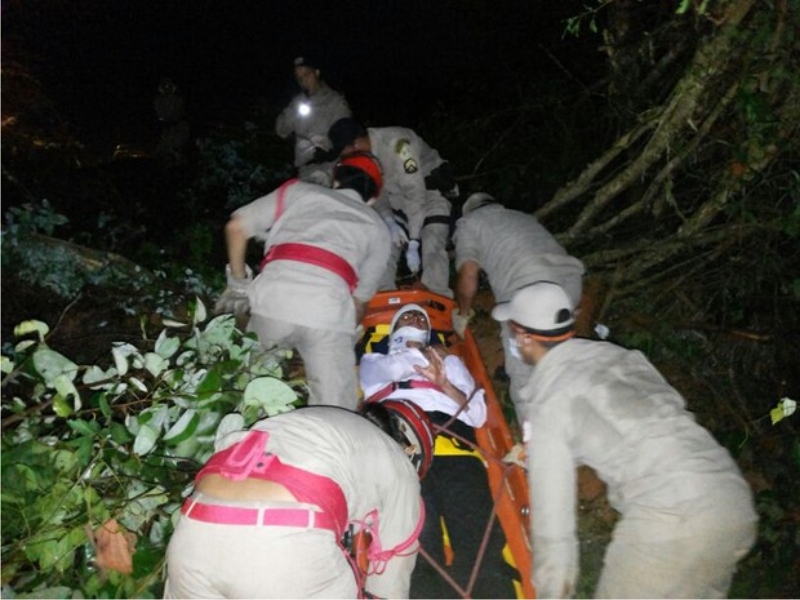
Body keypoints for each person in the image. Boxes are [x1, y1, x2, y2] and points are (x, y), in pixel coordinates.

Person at [491, 281, 758, 599]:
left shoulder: (550, 395)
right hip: (730, 500)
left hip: (671, 516)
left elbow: (554, 522)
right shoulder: (621, 357)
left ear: (523, 336)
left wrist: (552, 590)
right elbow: (640, 421)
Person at [163, 401, 434, 599]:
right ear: (411, 451)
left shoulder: (318, 420)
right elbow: (390, 579)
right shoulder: (401, 465)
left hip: (192, 534)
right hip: (280, 544)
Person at [359, 304, 517, 598]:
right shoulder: (375, 360)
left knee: (478, 538)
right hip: (404, 450)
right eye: (406, 316)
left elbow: (478, 414)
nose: (415, 317)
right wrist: (431, 356)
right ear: (393, 331)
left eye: (420, 316)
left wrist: (445, 382)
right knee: (419, 545)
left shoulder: (452, 364)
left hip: (457, 450)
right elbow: (381, 377)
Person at [215, 151, 391, 409]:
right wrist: (346, 330)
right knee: (336, 411)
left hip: (273, 301)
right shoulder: (377, 228)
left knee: (246, 390)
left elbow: (236, 227)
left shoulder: (298, 191)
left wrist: (238, 286)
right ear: (373, 197)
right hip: (328, 312)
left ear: (336, 180)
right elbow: (359, 303)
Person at [453, 192, 585, 423]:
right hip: (569, 285)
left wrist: (462, 313)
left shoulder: (470, 223)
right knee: (555, 355)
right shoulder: (522, 217)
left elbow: (468, 275)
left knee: (523, 371)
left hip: (528, 294)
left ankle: (534, 445)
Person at [328, 118, 458, 298]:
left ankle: (437, 299)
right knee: (384, 243)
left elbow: (415, 192)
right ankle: (382, 298)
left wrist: (413, 241)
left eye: (344, 151)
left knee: (432, 241)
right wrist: (389, 221)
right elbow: (377, 193)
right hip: (397, 201)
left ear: (356, 143)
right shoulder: (363, 158)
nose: (344, 156)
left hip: (430, 193)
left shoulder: (398, 143)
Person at [275, 56, 352, 186]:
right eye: (299, 78)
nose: (303, 80)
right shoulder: (297, 102)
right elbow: (281, 131)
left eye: (306, 74)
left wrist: (330, 152)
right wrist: (294, 109)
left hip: (330, 169)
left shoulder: (334, 101)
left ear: (316, 73)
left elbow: (347, 134)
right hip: (305, 171)